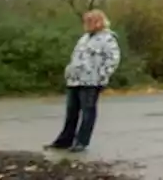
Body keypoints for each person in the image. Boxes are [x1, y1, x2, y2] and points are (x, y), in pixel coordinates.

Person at [44, 10, 121, 153]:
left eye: (90, 21)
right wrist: (69, 71)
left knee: (88, 112)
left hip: (91, 81)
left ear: (99, 22)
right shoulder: (84, 38)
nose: (86, 24)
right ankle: (64, 141)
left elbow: (113, 60)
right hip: (75, 80)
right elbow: (76, 57)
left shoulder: (108, 38)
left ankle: (81, 142)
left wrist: (101, 76)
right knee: (71, 111)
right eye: (86, 21)